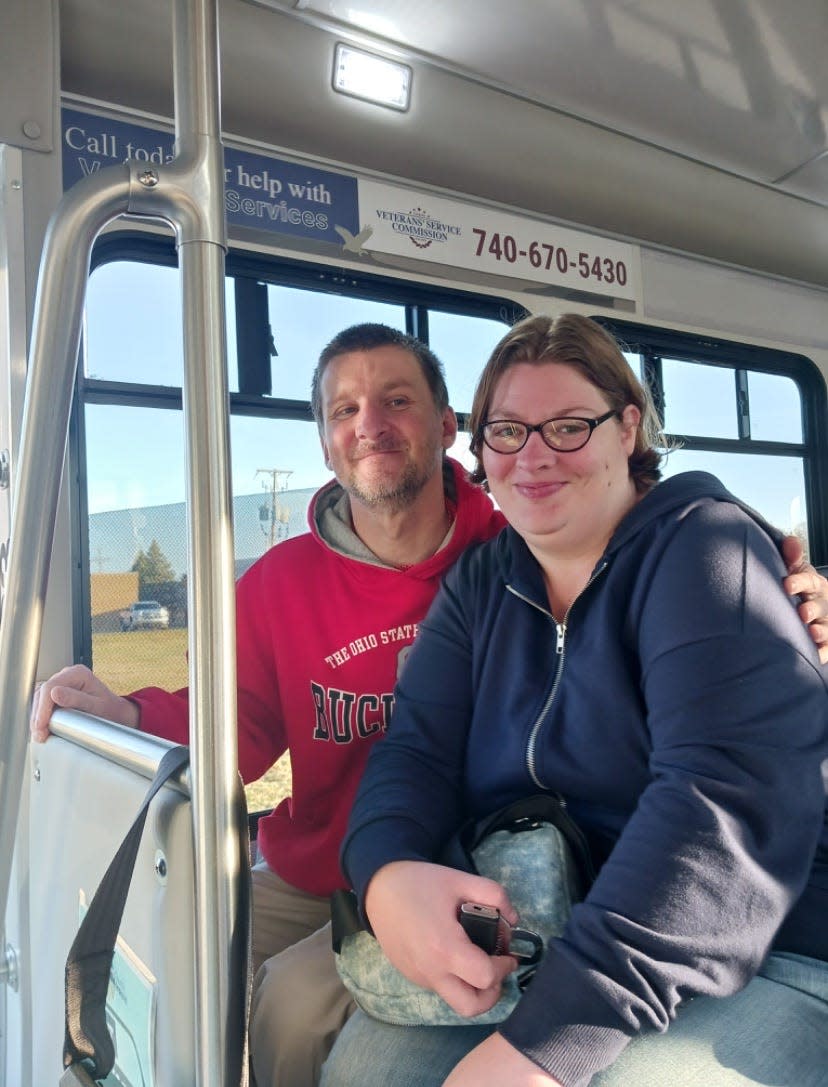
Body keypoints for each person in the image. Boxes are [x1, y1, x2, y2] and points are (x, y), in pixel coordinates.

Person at [321, 313, 828, 1087]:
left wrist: (546, 1047)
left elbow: (718, 804)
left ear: (628, 428)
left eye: (567, 427)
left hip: (763, 942)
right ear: (480, 449)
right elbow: (414, 749)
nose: (533, 457)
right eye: (508, 432)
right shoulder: (482, 586)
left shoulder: (706, 552)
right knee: (367, 1067)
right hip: (558, 931)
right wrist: (386, 871)